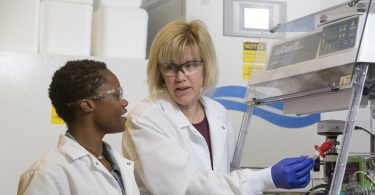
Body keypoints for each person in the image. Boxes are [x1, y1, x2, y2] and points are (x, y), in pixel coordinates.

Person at [122, 20, 315, 195]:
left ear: (206, 66)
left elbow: (226, 178)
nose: (180, 77)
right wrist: (268, 178)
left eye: (190, 65)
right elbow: (186, 187)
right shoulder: (145, 119)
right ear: (160, 72)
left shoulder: (217, 113)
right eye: (171, 67)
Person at [18, 60, 139, 195]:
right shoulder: (46, 174)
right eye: (117, 95)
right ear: (87, 105)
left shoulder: (120, 165)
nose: (124, 102)